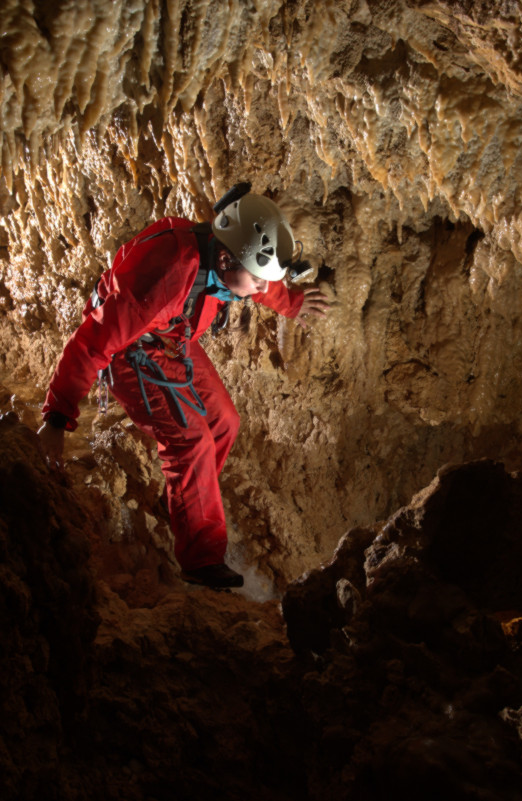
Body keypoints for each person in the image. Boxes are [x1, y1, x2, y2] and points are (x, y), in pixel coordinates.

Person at [38, 189, 329, 588]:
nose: (261, 289)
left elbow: (261, 278)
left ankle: (180, 506)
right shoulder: (167, 275)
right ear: (224, 261)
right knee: (191, 442)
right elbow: (93, 342)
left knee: (224, 423)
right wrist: (56, 418)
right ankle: (201, 561)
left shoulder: (227, 257)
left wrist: (292, 303)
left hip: (173, 338)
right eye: (257, 280)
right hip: (132, 349)